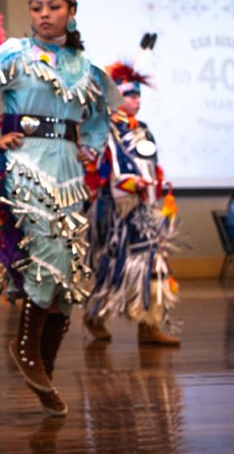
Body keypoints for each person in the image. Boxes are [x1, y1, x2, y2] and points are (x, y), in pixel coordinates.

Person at [0, 0, 116, 417]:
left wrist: (90, 149)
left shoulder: (85, 65)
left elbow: (99, 118)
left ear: (70, 12)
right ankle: (25, 350)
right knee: (45, 257)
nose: (44, 13)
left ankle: (44, 363)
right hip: (25, 167)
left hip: (69, 173)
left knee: (69, 271)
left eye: (54, 6)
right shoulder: (16, 53)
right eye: (37, 6)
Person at [83, 61, 180, 347]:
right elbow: (100, 167)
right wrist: (128, 183)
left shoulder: (144, 130)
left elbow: (151, 165)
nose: (136, 100)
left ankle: (148, 324)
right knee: (112, 262)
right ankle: (96, 314)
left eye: (138, 95)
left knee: (151, 259)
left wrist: (154, 184)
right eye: (129, 94)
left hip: (142, 207)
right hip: (113, 208)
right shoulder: (104, 129)